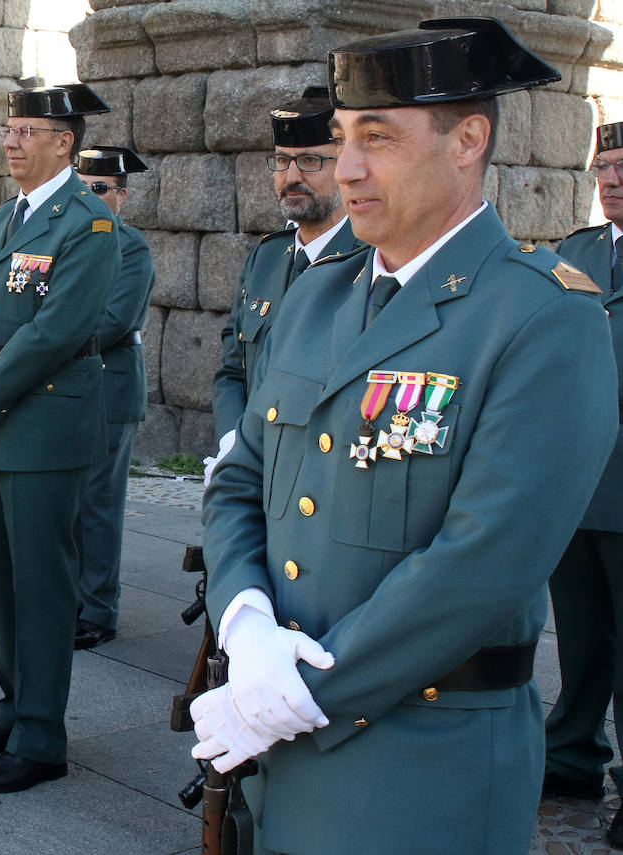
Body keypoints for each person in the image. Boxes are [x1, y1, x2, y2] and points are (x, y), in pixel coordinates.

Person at [191, 19, 617, 854]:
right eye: (342, 139)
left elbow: (484, 562)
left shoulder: (542, 315)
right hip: (281, 745)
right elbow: (243, 476)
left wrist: (293, 693)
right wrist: (242, 618)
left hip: (424, 764)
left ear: (467, 141)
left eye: (377, 138)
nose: (346, 166)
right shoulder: (319, 296)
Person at [0, 82, 118, 793]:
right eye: (8, 128)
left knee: (43, 587)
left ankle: (43, 736)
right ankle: (15, 707)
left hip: (45, 423)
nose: (11, 140)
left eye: (26, 130)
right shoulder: (5, 217)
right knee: (8, 586)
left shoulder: (86, 223)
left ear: (64, 142)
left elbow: (54, 331)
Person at [209, 87, 363, 481]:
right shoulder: (267, 257)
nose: (292, 177)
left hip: (326, 472)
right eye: (282, 161)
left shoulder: (372, 259)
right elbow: (233, 369)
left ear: (345, 163)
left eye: (310, 161)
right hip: (253, 468)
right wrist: (233, 444)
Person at [542, 119, 623, 839]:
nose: (613, 179)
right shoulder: (577, 252)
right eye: (605, 167)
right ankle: (571, 753)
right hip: (580, 483)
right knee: (582, 634)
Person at [70, 146, 154, 650]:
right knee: (69, 503)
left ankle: (98, 609)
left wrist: (47, 339)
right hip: (68, 386)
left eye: (100, 188)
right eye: (82, 186)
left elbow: (114, 320)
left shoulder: (131, 247)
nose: (90, 195)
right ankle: (73, 598)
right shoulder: (70, 239)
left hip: (108, 383)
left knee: (98, 504)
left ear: (121, 195)